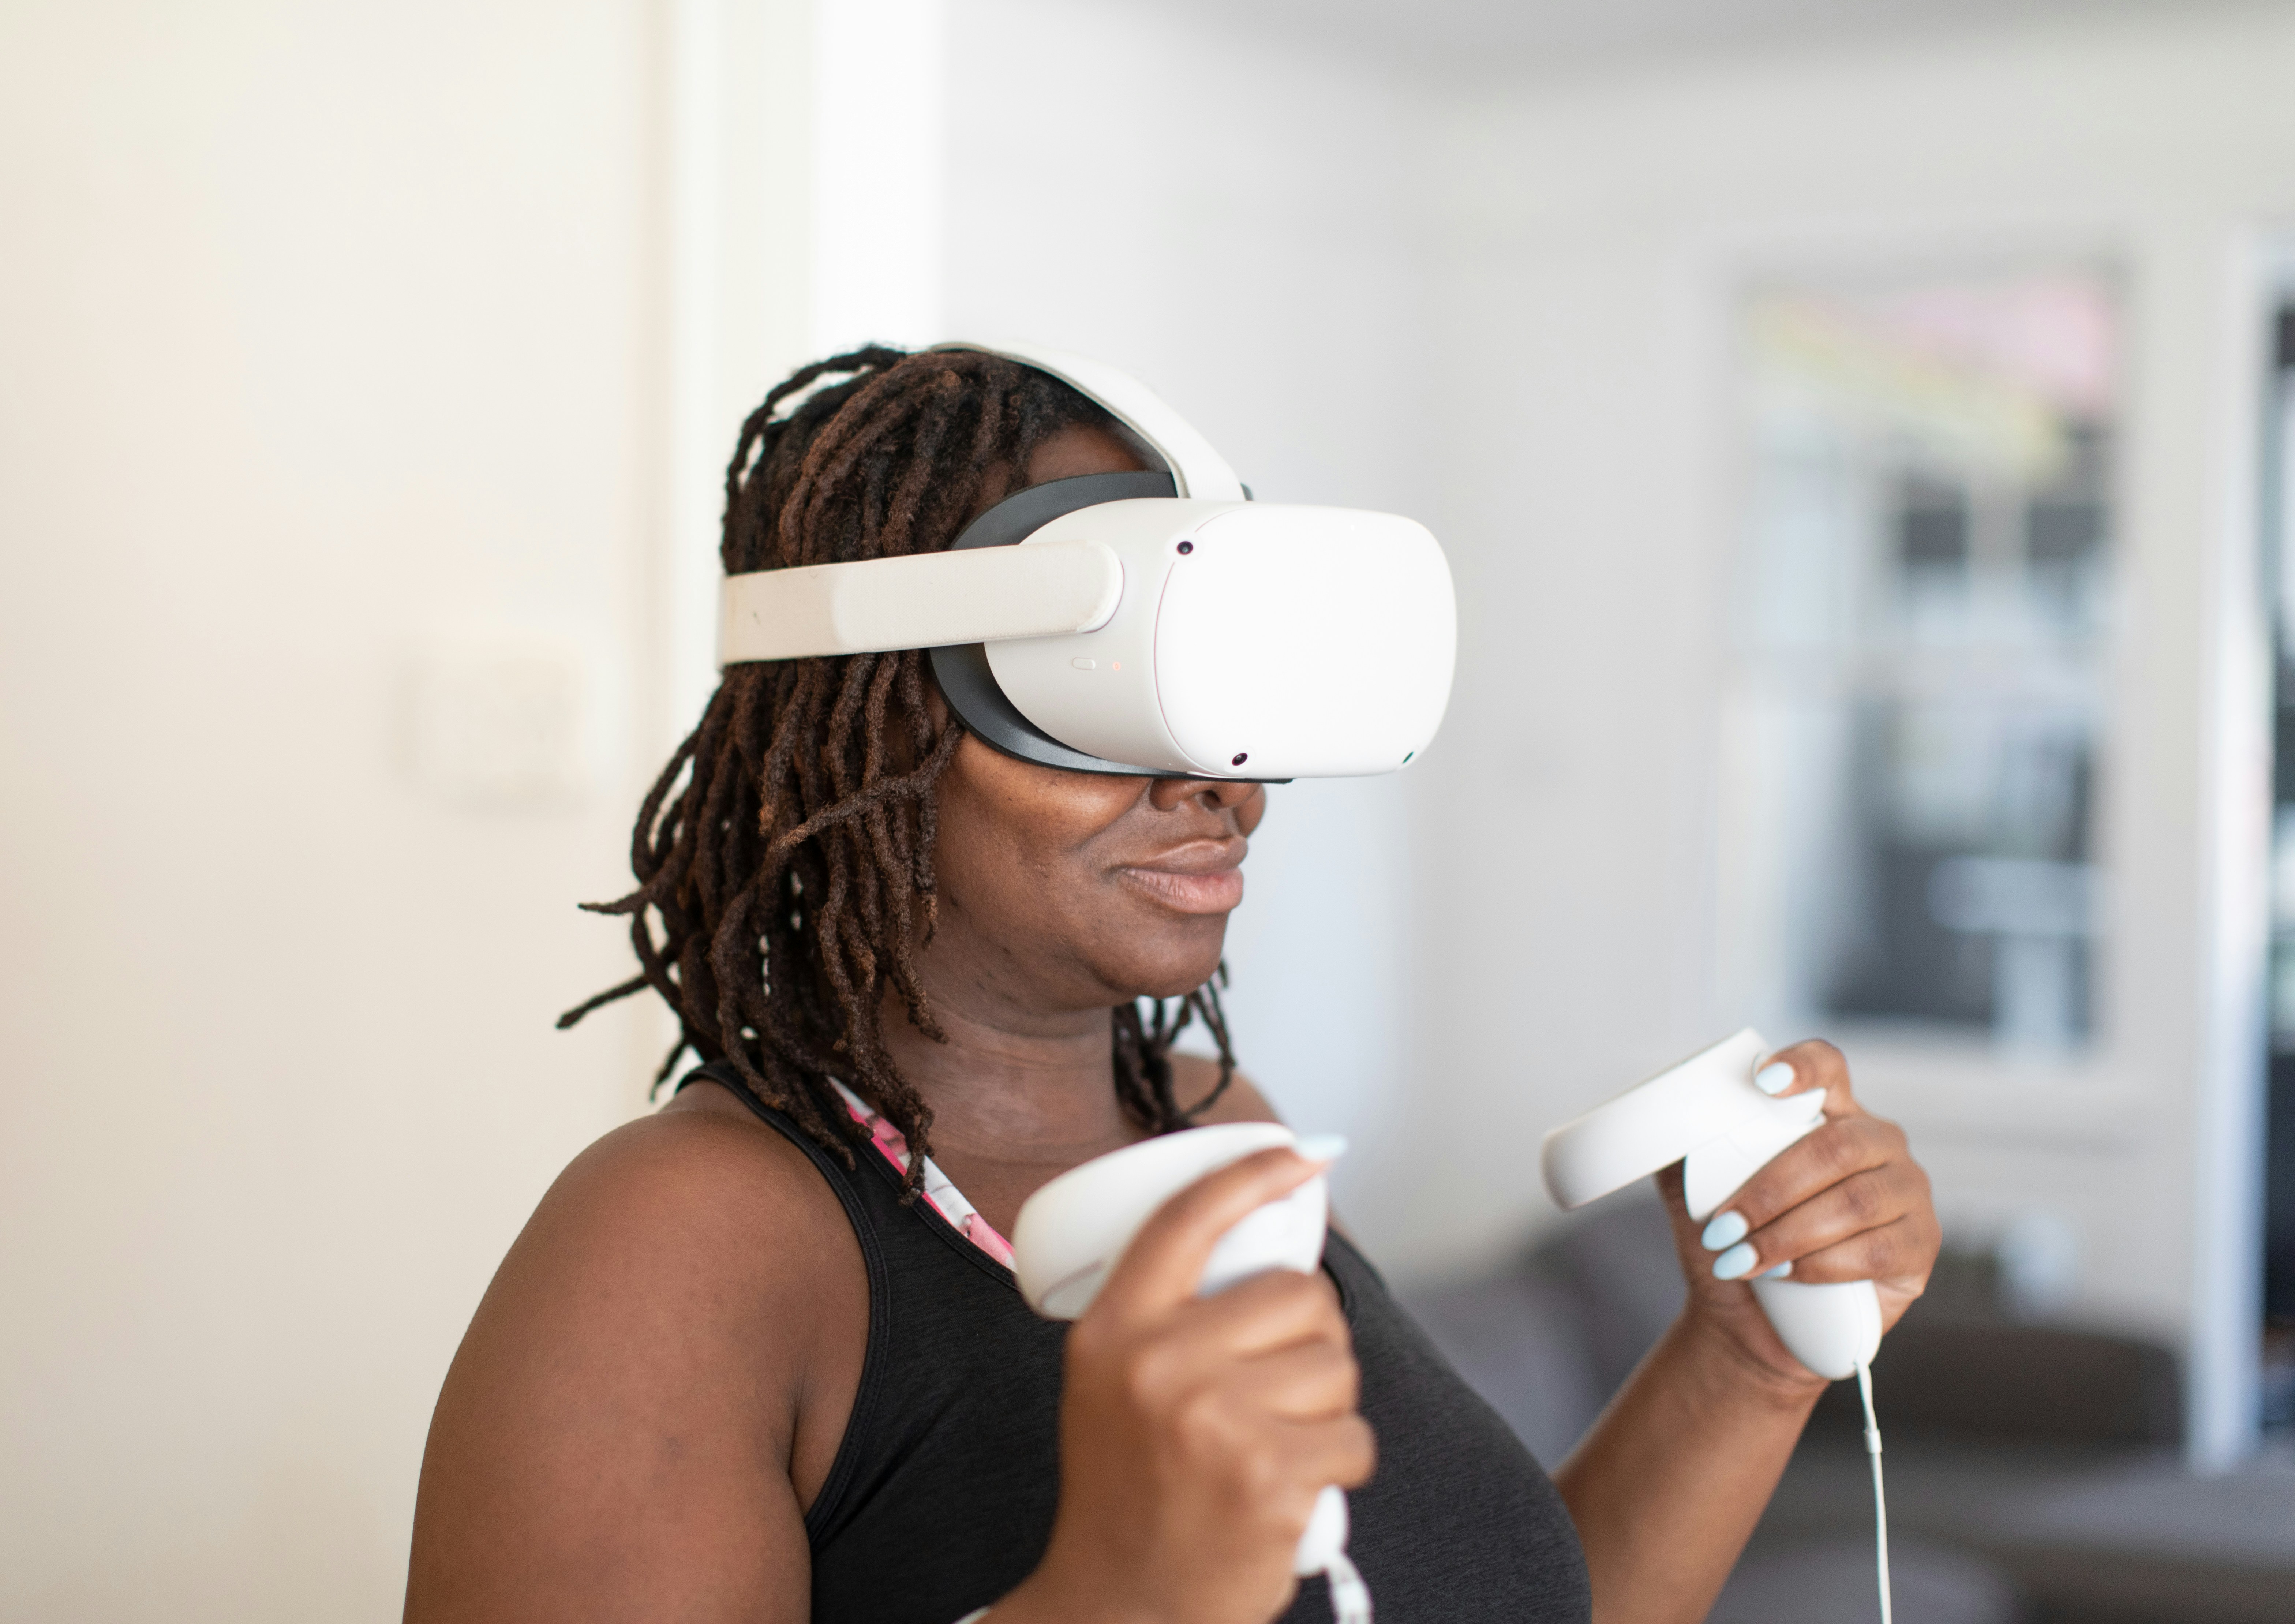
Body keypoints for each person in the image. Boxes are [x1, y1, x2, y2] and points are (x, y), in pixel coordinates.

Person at [402, 347, 1943, 1624]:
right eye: (1097, 682)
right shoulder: (682, 1249)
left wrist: (1740, 1361)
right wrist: (1115, 1598)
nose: (1221, 785)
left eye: (1217, 690)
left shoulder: (1221, 1131)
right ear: (862, 710)